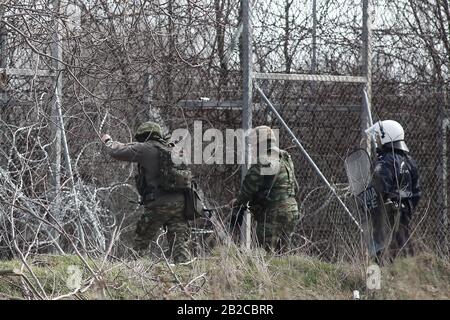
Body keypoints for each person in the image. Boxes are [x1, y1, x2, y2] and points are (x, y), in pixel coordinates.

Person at [101, 121, 192, 264]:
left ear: (144, 136)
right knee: (180, 246)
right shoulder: (172, 149)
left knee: (141, 242)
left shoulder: (145, 149)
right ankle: (186, 278)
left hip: (158, 204)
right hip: (180, 204)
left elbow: (117, 151)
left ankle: (132, 271)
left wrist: (108, 141)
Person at [230, 125, 300, 253]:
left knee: (266, 253)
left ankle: (267, 273)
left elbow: (247, 191)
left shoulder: (261, 162)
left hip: (273, 213)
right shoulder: (285, 157)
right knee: (285, 253)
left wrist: (236, 203)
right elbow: (296, 186)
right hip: (292, 210)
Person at [366, 120, 421, 263]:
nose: (376, 140)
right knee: (403, 247)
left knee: (380, 251)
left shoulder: (385, 161)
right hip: (404, 214)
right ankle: (406, 274)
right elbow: (416, 193)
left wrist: (368, 202)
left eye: (378, 136)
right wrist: (407, 207)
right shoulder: (410, 161)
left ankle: (378, 276)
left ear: (387, 137)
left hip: (386, 215)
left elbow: (379, 188)